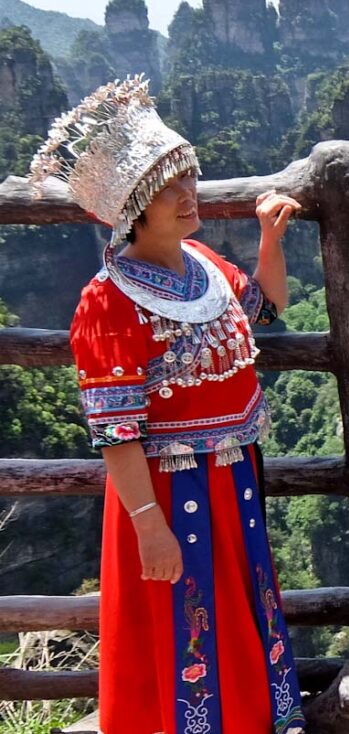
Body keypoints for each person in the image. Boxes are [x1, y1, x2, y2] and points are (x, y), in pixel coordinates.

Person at [30, 76, 306, 733]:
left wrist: (270, 239)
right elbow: (116, 433)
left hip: (233, 477)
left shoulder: (203, 264)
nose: (189, 197)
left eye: (189, 178)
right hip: (167, 490)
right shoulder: (107, 303)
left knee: (236, 606)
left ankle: (247, 717)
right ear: (135, 210)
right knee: (188, 616)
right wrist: (149, 526)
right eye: (170, 189)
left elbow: (266, 305)